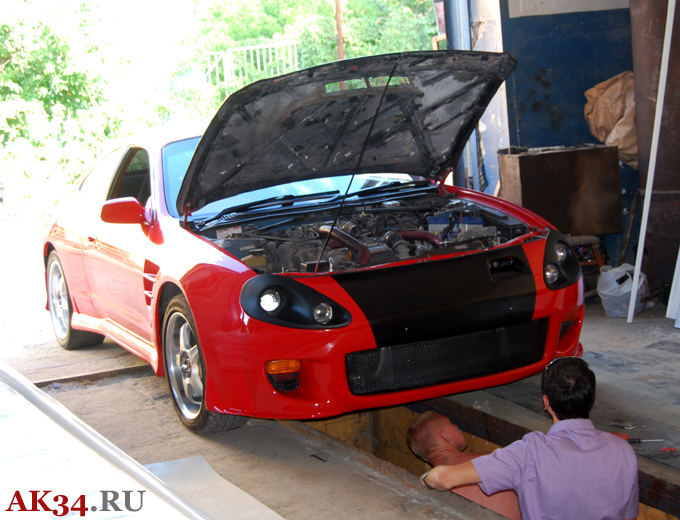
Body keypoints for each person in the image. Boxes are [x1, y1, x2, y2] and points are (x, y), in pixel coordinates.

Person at [420, 357, 639, 520]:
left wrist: (426, 478)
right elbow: (629, 516)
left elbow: (441, 478)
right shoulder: (623, 451)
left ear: (546, 403)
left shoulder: (529, 452)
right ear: (591, 399)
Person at [407, 411, 521, 520]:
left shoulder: (427, 488)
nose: (456, 426)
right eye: (450, 423)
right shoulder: (493, 460)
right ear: (445, 436)